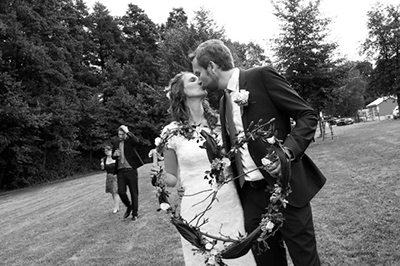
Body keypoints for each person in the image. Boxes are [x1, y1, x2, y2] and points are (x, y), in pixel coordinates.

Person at [189, 39, 326, 266]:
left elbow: (307, 116)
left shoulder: (261, 77)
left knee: (306, 261)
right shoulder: (223, 102)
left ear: (212, 67)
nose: (200, 80)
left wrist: (287, 154)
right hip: (251, 198)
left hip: (285, 190)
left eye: (199, 72)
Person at [151, 72, 256, 266]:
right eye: (192, 79)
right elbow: (172, 178)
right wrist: (159, 175)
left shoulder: (220, 124)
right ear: (181, 92)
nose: (200, 80)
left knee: (238, 257)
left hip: (229, 203)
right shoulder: (171, 132)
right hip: (196, 208)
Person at [112, 125, 144, 221]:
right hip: (120, 171)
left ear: (125, 134)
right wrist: (114, 155)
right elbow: (113, 156)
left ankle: (135, 213)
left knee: (134, 192)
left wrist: (128, 131)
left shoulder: (130, 140)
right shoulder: (116, 142)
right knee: (121, 191)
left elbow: (137, 141)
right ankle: (129, 206)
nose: (120, 136)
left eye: (122, 134)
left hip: (131, 170)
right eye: (119, 134)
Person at [100, 145, 120, 214]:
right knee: (112, 192)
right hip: (109, 177)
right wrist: (102, 164)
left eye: (108, 150)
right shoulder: (104, 159)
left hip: (115, 176)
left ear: (111, 150)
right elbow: (103, 169)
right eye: (106, 151)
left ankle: (115, 207)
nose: (107, 152)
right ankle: (117, 206)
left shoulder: (115, 158)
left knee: (115, 192)